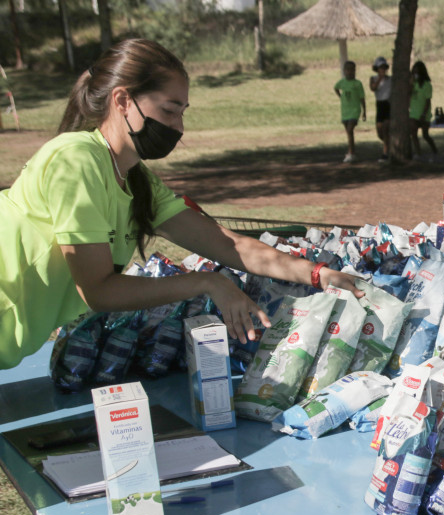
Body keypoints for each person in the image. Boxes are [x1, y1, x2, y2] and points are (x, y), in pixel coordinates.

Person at [0, 38, 362, 370]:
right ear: (123, 101)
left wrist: (316, 274)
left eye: (183, 112)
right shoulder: (77, 161)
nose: (179, 127)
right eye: (170, 110)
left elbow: (228, 244)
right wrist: (206, 283)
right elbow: (98, 289)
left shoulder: (137, 182)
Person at [334, 60, 366, 163]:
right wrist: (340, 96)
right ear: (344, 71)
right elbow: (336, 88)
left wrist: (364, 111)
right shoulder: (342, 82)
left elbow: (362, 98)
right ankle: (351, 152)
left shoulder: (357, 84)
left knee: (350, 129)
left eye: (352, 70)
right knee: (348, 132)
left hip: (354, 110)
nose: (350, 72)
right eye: (347, 70)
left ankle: (351, 153)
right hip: (345, 111)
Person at [409, 61, 438, 161]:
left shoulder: (427, 85)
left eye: (417, 73)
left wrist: (424, 113)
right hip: (413, 113)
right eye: (414, 72)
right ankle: (418, 153)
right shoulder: (412, 84)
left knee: (425, 135)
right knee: (413, 134)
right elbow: (408, 95)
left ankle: (434, 150)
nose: (416, 75)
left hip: (424, 113)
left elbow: (427, 101)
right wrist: (411, 84)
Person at [369, 56, 391, 163]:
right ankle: (390, 145)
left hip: (388, 104)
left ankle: (385, 153)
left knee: (386, 130)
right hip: (379, 105)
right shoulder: (373, 78)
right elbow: (373, 88)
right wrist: (380, 79)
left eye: (384, 68)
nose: (382, 70)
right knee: (380, 132)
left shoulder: (390, 80)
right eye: (380, 68)